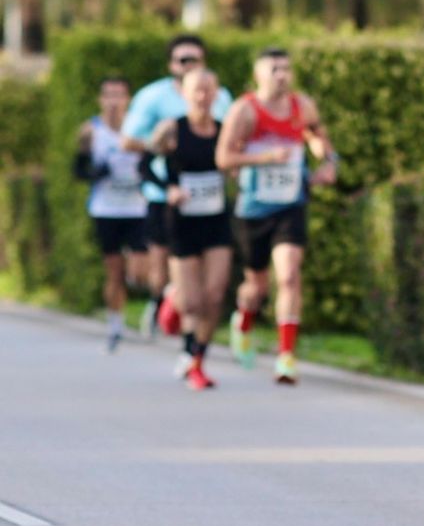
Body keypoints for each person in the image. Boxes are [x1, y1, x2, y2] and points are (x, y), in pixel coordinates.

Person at [217, 47, 338, 385]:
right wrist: (266, 157)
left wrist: (328, 162)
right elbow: (224, 158)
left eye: (286, 69)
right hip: (253, 207)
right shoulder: (245, 110)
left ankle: (286, 357)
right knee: (256, 285)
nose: (282, 75)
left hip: (290, 203)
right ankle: (244, 320)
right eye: (274, 69)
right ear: (259, 74)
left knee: (288, 276)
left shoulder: (302, 106)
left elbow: (318, 137)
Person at [121, 35, 233, 340]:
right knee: (160, 271)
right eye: (183, 60)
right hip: (166, 196)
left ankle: (189, 337)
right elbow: (130, 142)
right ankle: (165, 298)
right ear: (172, 65)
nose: (189, 65)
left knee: (208, 290)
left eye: (195, 59)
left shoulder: (221, 98)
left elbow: (229, 140)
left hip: (211, 200)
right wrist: (173, 147)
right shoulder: (153, 98)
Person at [141, 70, 232, 391]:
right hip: (182, 222)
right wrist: (168, 190)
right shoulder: (172, 129)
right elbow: (143, 166)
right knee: (192, 303)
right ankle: (175, 299)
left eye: (209, 90)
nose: (203, 96)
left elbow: (233, 164)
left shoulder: (224, 132)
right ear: (185, 94)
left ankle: (198, 361)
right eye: (197, 90)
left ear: (217, 93)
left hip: (216, 220)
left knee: (215, 294)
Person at [74, 76, 148, 352]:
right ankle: (115, 324)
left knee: (140, 272)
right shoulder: (90, 131)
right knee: (114, 271)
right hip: (106, 209)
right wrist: (97, 172)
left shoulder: (139, 128)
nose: (114, 101)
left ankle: (146, 300)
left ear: (128, 99)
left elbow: (152, 159)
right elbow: (78, 169)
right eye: (109, 95)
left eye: (120, 95)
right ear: (101, 99)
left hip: (137, 207)